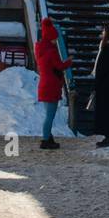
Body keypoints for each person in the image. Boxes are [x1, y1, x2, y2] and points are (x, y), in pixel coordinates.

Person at [35, 17, 72, 151]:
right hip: (51, 87)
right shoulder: (51, 51)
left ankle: (48, 137)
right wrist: (69, 61)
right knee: (50, 116)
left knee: (47, 114)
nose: (56, 41)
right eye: (55, 38)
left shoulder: (40, 49)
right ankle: (45, 140)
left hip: (44, 85)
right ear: (51, 37)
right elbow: (59, 66)